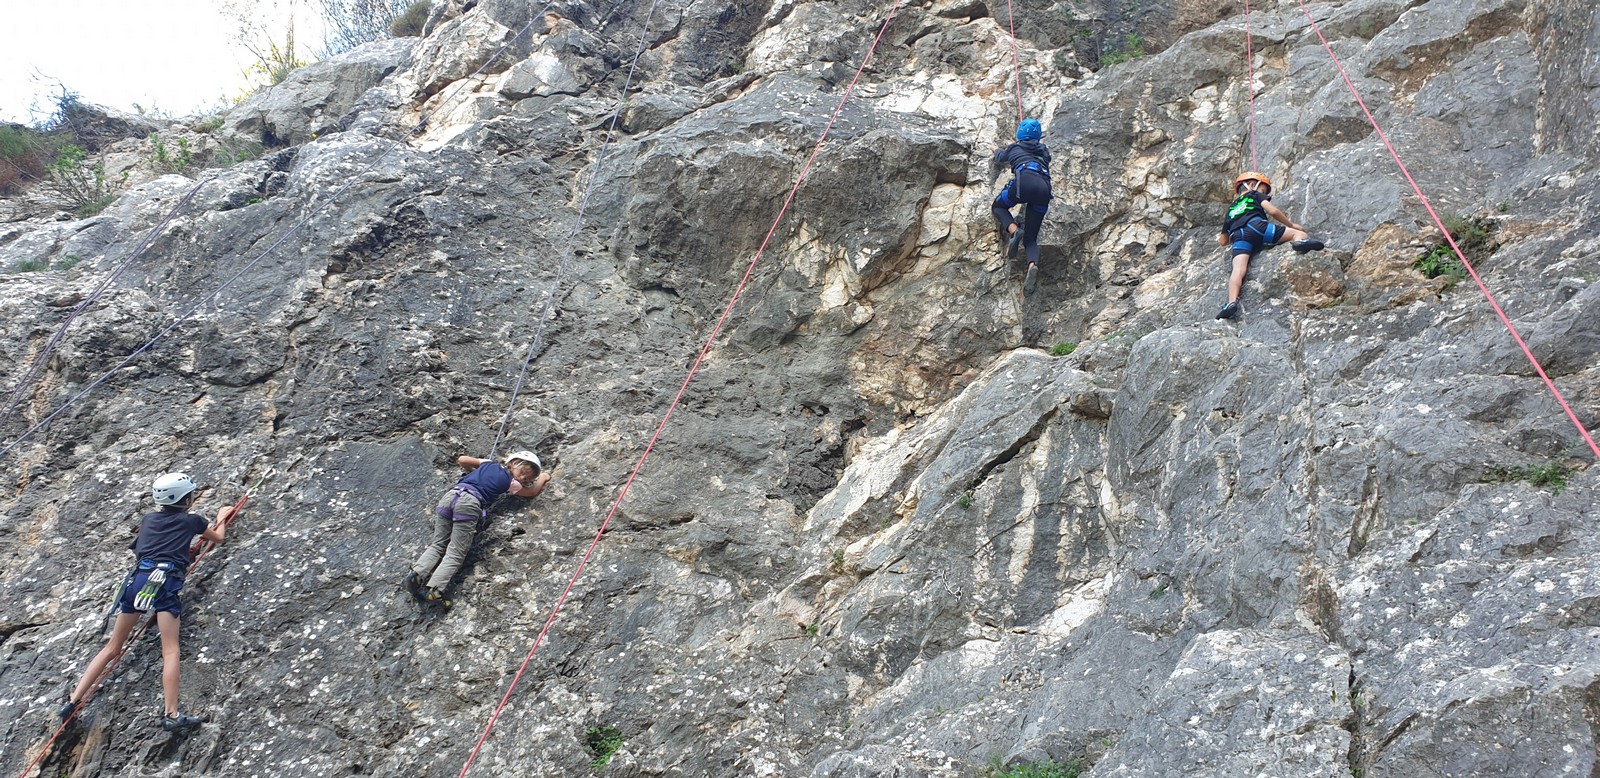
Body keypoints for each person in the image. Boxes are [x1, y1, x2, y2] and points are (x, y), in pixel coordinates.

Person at [59, 472, 232, 731]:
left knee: (113, 647)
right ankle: (171, 714)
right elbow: (217, 537)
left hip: (137, 582)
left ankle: (72, 701)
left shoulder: (149, 519)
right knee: (170, 650)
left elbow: (144, 549)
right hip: (163, 585)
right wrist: (221, 518)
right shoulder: (193, 520)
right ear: (186, 499)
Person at [407, 450, 550, 602]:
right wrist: (543, 477)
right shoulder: (512, 483)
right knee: (456, 552)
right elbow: (532, 492)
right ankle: (434, 590)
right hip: (469, 504)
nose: (521, 478)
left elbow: (462, 459)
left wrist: (475, 472)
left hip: (451, 496)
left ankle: (417, 573)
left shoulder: (488, 463)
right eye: (522, 473)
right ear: (514, 463)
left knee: (438, 544)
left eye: (526, 479)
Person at [1215, 171, 1325, 319]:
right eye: (1263, 191)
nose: (1264, 193)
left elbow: (1223, 241)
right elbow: (1272, 210)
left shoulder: (1231, 209)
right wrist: (1291, 224)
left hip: (1238, 236)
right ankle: (1299, 242)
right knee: (1299, 233)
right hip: (1257, 227)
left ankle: (1231, 302)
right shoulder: (1254, 194)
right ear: (1252, 185)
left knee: (1238, 270)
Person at [992, 117, 1054, 294]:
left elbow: (1000, 158)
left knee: (998, 207)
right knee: (1031, 239)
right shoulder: (1044, 151)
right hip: (1044, 190)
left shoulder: (1014, 148)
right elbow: (1044, 155)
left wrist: (995, 149)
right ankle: (1032, 265)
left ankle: (1014, 230)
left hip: (1024, 183)